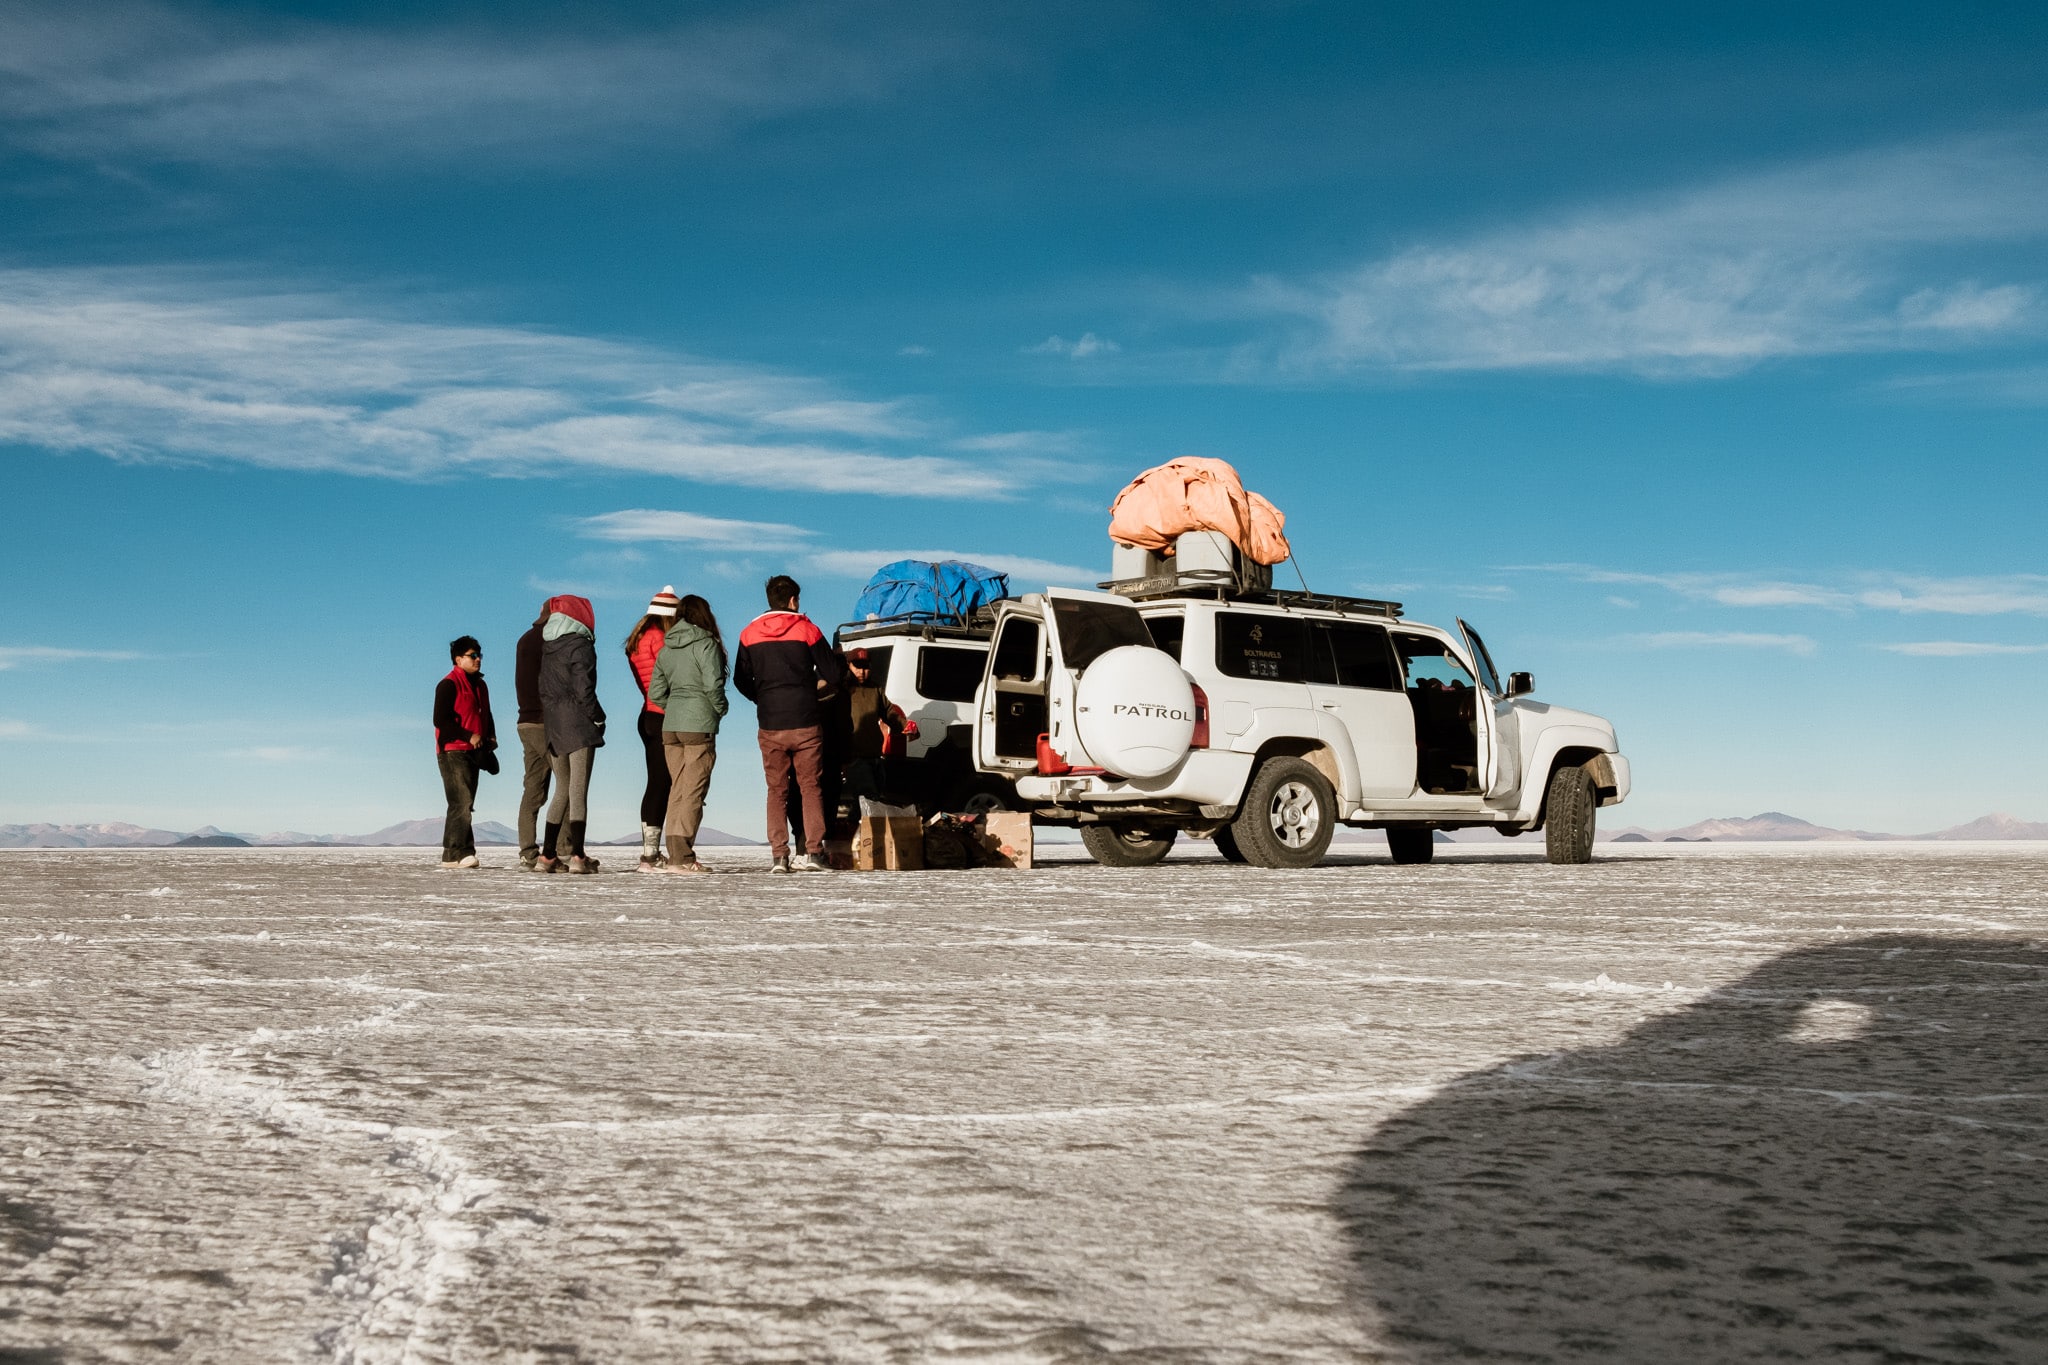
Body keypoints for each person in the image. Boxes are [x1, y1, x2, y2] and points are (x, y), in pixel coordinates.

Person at [735, 574, 841, 873]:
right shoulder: (807, 629)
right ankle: (814, 852)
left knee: (776, 790)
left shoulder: (749, 633)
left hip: (770, 722)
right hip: (806, 719)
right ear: (793, 600)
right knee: (810, 787)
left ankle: (779, 855)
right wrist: (813, 686)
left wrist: (762, 697)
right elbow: (833, 673)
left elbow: (741, 679)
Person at [647, 594, 730, 873]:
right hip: (698, 726)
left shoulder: (667, 648)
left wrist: (677, 708)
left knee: (679, 788)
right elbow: (713, 684)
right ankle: (682, 856)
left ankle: (674, 854)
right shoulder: (706, 644)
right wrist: (718, 709)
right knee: (693, 790)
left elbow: (656, 692)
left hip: (671, 727)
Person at [537, 595, 605, 874]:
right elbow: (584, 688)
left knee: (561, 789)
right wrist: (598, 717)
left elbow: (543, 688)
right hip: (578, 726)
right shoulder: (580, 646)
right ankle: (577, 856)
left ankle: (547, 855)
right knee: (578, 790)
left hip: (554, 726)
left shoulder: (549, 648)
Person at [625, 586, 682, 872]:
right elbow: (670, 680)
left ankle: (650, 849)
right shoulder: (662, 640)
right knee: (666, 785)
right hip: (665, 715)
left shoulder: (636, 641)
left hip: (647, 714)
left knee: (655, 783)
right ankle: (654, 854)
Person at [432, 635, 497, 869]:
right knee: (460, 802)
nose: (478, 659)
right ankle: (457, 852)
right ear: (458, 659)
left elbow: (485, 714)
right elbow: (440, 720)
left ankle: (455, 854)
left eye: (479, 655)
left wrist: (491, 737)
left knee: (465, 804)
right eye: (473, 656)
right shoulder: (448, 684)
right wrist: (468, 735)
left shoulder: (480, 685)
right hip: (452, 751)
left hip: (474, 752)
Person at [839, 646, 907, 808]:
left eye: (866, 667)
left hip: (875, 756)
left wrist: (905, 726)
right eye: (857, 666)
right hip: (854, 757)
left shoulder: (876, 689)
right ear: (849, 665)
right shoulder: (843, 689)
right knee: (867, 800)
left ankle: (856, 829)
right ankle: (860, 830)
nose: (862, 671)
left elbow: (889, 713)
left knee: (870, 801)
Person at [513, 601, 553, 870]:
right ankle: (561, 849)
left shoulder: (525, 639)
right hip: (544, 722)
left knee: (533, 789)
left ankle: (528, 851)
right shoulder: (550, 640)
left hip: (525, 721)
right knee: (570, 782)